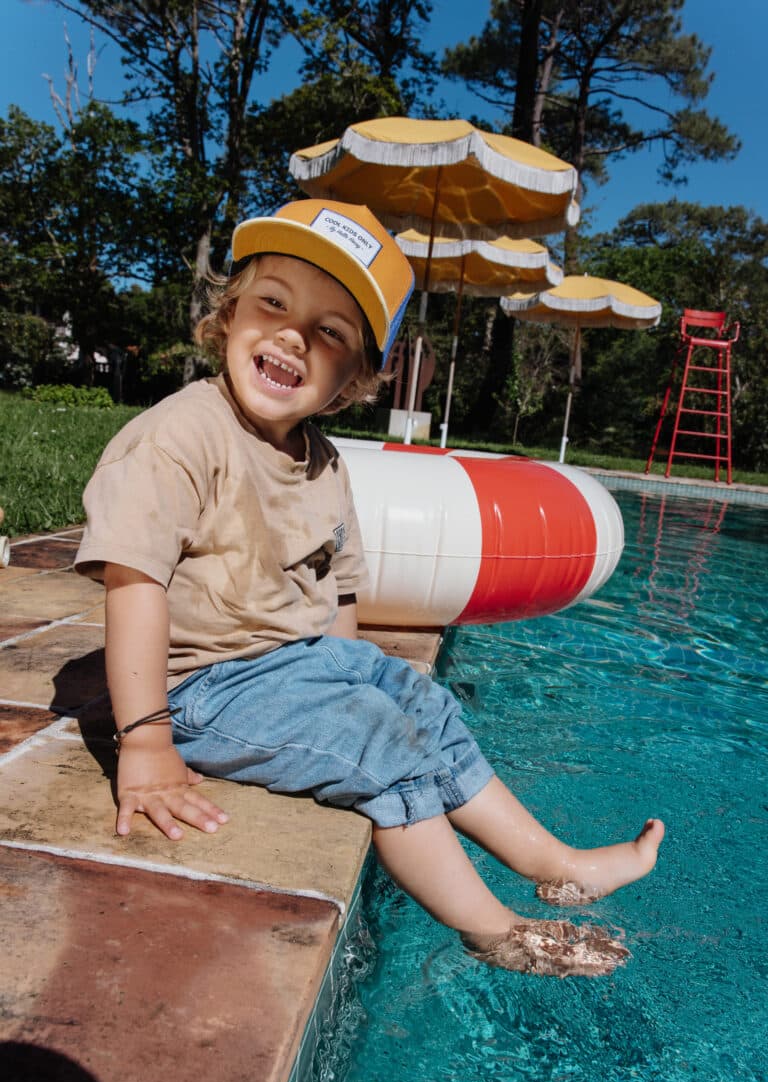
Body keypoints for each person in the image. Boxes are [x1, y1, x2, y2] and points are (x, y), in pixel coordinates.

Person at [75, 199, 664, 978]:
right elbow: (134, 581)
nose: (293, 334)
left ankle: (554, 861)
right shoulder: (178, 436)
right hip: (199, 687)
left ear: (351, 379)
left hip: (286, 666)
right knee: (378, 743)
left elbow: (340, 594)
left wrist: (358, 676)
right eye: (273, 302)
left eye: (330, 332)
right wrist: (145, 740)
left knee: (418, 700)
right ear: (227, 314)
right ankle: (494, 929)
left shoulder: (324, 462)